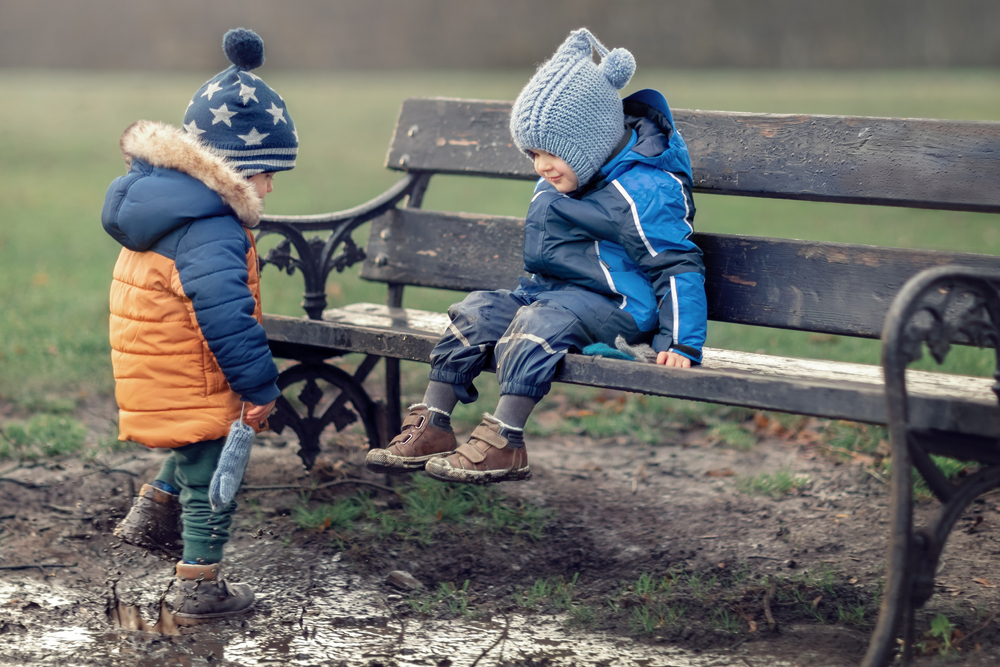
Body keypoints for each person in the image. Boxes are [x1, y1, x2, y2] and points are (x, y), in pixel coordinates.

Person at [366, 28, 707, 485]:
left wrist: (681, 342)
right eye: (533, 153)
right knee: (477, 310)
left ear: (591, 141)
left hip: (620, 307)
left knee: (538, 323)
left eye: (552, 153)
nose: (540, 165)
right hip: (553, 296)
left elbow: (676, 263)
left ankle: (506, 440)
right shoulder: (564, 178)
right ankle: (434, 424)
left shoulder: (642, 188)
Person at [104, 27, 298, 618]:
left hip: (158, 357)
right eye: (264, 173)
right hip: (191, 363)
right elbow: (226, 320)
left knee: (194, 443)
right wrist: (260, 388)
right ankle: (199, 585)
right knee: (215, 470)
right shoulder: (212, 228)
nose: (268, 187)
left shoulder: (167, 204)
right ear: (231, 170)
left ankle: (154, 509)